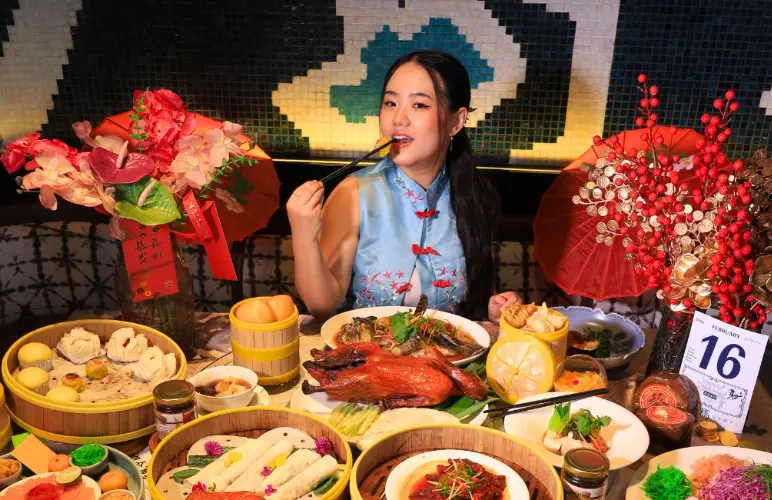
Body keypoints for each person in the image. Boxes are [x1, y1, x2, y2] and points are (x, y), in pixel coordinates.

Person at [287, 50, 519, 321]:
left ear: (456, 121)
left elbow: (476, 296)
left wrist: (495, 305)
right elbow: (322, 305)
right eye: (390, 103)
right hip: (365, 356)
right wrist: (304, 237)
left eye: (419, 105)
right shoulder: (353, 193)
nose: (399, 119)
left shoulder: (476, 195)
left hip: (445, 359)